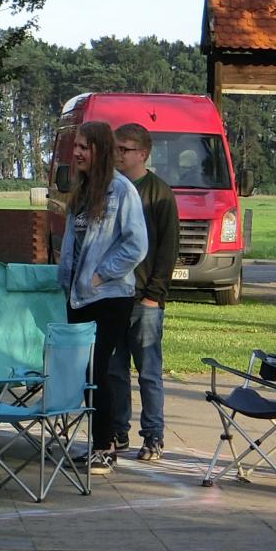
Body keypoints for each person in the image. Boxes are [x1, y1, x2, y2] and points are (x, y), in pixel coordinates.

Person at [57, 119, 147, 473]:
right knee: (83, 370)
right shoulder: (80, 191)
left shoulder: (121, 191)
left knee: (98, 367)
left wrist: (99, 274)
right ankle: (97, 442)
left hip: (109, 295)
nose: (77, 153)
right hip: (78, 296)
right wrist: (67, 278)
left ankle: (107, 445)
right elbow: (73, 243)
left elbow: (136, 245)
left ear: (100, 150)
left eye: (84, 147)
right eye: (76, 146)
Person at [114, 123, 180, 461]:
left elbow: (168, 248)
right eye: (115, 148)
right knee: (114, 370)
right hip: (113, 296)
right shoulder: (109, 187)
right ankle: (117, 431)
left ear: (142, 154)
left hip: (145, 298)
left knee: (149, 372)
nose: (118, 155)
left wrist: (154, 294)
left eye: (124, 149)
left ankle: (153, 436)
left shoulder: (159, 193)